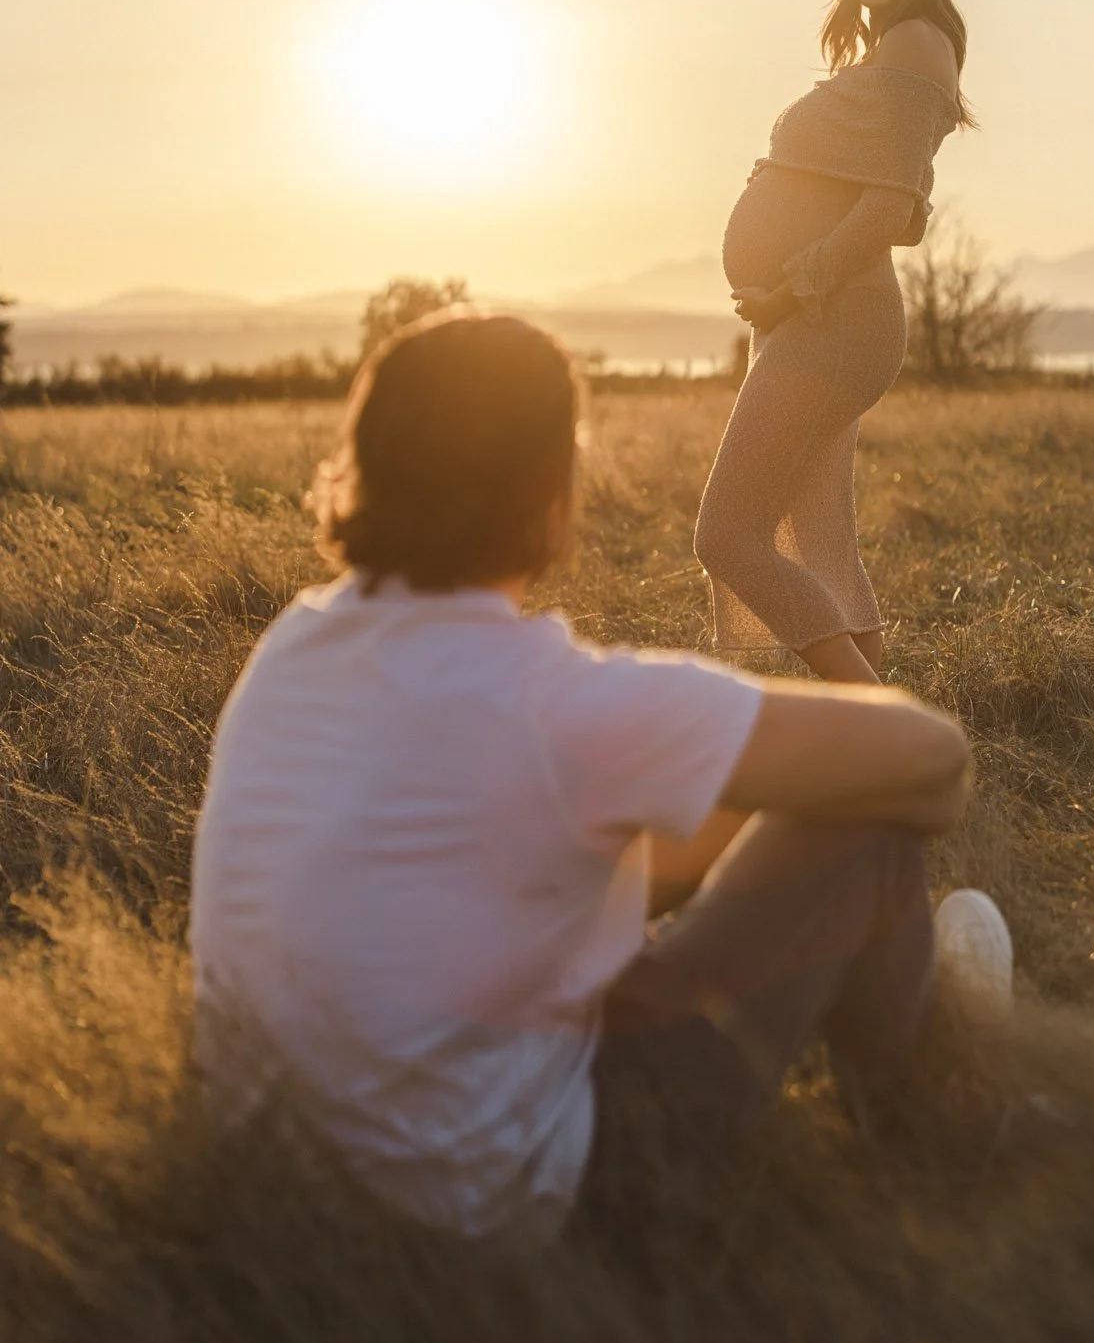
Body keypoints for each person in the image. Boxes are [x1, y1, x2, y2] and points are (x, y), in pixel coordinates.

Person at [190, 311, 1011, 1245]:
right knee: (862, 832)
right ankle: (942, 1132)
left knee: (626, 898)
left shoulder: (294, 646)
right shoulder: (550, 701)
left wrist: (652, 855)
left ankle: (922, 1021)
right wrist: (767, 792)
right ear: (550, 493)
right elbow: (933, 760)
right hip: (509, 1211)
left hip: (272, 1210)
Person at [695, 0, 973, 684]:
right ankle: (862, 727)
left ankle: (883, 734)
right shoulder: (888, 48)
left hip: (836, 319)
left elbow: (890, 205)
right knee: (820, 541)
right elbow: (854, 182)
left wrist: (796, 285)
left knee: (727, 535)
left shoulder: (918, 41)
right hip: (818, 319)